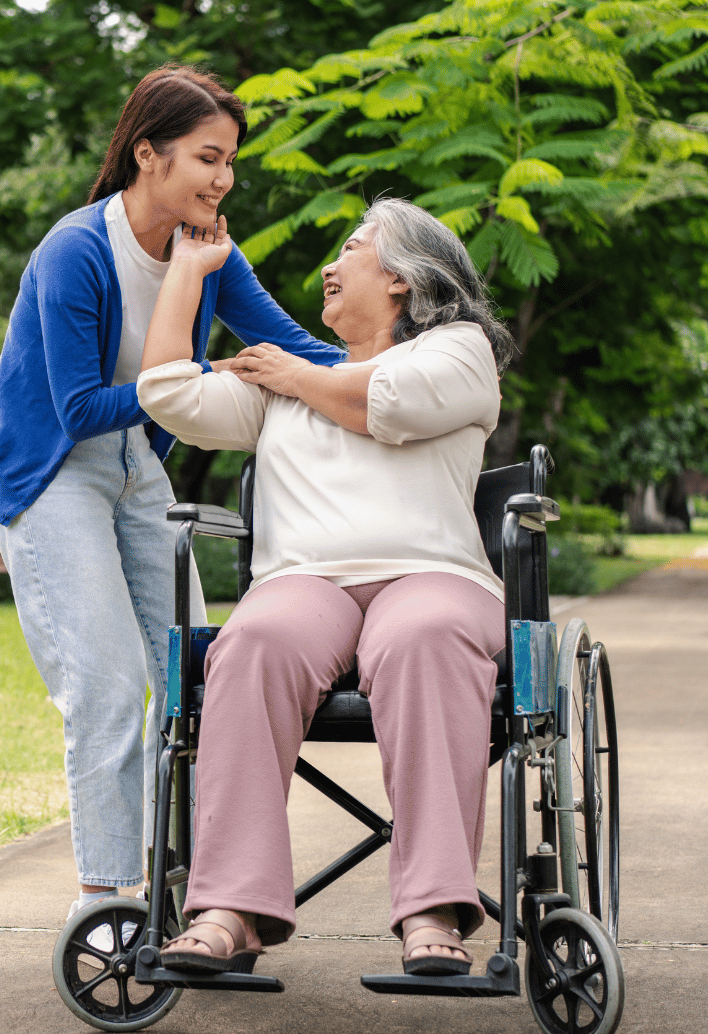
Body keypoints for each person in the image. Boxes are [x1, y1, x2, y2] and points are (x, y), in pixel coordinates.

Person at [0, 65, 343, 922]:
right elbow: (77, 406)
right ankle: (109, 903)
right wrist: (203, 371)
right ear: (148, 153)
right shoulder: (77, 250)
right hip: (52, 463)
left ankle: (194, 878)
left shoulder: (206, 252)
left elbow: (287, 343)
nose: (223, 179)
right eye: (208, 159)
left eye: (230, 164)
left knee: (197, 668)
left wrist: (392, 379)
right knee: (105, 686)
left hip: (137, 461)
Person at [135, 197, 514, 975]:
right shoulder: (288, 381)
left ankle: (434, 905)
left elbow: (390, 405)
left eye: (349, 250)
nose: (326, 270)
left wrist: (295, 374)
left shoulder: (459, 351)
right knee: (253, 642)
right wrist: (188, 272)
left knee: (424, 636)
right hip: (305, 582)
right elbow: (169, 393)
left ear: (403, 279)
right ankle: (229, 906)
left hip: (431, 575)